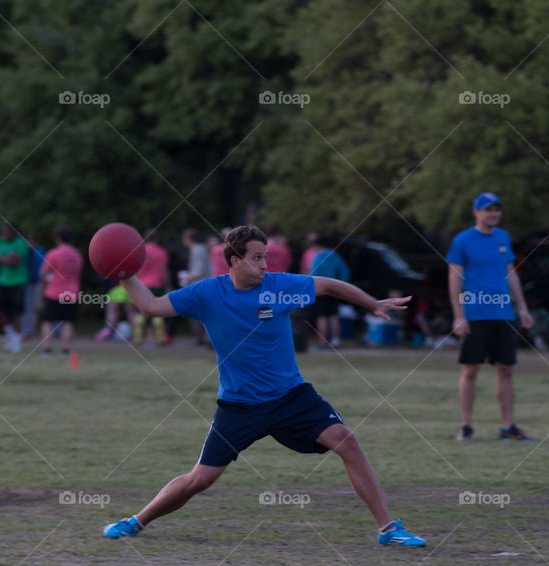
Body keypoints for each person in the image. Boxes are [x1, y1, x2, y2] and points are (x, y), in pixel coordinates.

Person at [104, 225, 427, 547]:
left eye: (266, 257)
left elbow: (328, 285)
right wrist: (123, 272)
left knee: (346, 440)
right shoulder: (206, 294)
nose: (264, 265)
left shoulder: (279, 286)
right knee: (200, 479)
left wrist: (372, 304)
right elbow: (151, 306)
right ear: (234, 261)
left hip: (290, 396)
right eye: (256, 258)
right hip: (240, 405)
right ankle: (136, 521)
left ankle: (388, 528)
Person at [446, 192, 534, 442]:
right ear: (476, 212)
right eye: (488, 209)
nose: (493, 213)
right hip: (474, 313)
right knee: (470, 370)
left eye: (497, 209)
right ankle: (466, 426)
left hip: (502, 313)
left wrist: (523, 307)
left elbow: (511, 275)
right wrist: (458, 315)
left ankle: (508, 427)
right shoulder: (462, 241)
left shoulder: (503, 238)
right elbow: (454, 278)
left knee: (505, 369)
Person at [40, 226, 82, 357]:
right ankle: (65, 350)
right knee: (67, 322)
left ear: (58, 238)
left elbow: (43, 273)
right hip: (71, 292)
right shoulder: (77, 255)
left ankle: (47, 350)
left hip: (53, 292)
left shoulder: (53, 253)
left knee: (48, 321)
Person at [0, 224, 29, 353]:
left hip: (18, 282)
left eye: (7, 233)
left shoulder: (20, 243)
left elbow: (14, 262)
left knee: (16, 313)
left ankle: (17, 341)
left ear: (13, 233)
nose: (4, 236)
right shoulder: (1, 241)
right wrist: (5, 259)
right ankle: (12, 336)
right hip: (3, 281)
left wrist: (1, 259)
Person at [309, 236, 351, 348]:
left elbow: (313, 273)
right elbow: (345, 272)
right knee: (333, 315)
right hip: (334, 289)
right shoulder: (336, 256)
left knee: (321, 316)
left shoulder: (318, 256)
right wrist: (341, 285)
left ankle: (322, 342)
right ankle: (336, 341)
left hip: (320, 289)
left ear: (317, 246)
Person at [132, 228, 172, 346]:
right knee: (158, 312)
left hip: (142, 284)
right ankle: (158, 338)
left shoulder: (139, 251)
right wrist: (168, 284)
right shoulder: (161, 252)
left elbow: (136, 270)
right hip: (157, 284)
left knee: (140, 313)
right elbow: (163, 271)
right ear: (157, 238)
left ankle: (138, 338)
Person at [181, 228, 210, 346]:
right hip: (201, 286)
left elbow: (198, 271)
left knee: (195, 314)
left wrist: (185, 278)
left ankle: (202, 340)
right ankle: (204, 339)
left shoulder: (197, 250)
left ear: (189, 239)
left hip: (198, 287)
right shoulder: (201, 249)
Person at [22, 232, 45, 339]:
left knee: (36, 308)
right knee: (27, 308)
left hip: (38, 283)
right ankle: (27, 331)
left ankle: (30, 331)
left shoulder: (40, 251)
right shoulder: (26, 251)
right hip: (26, 283)